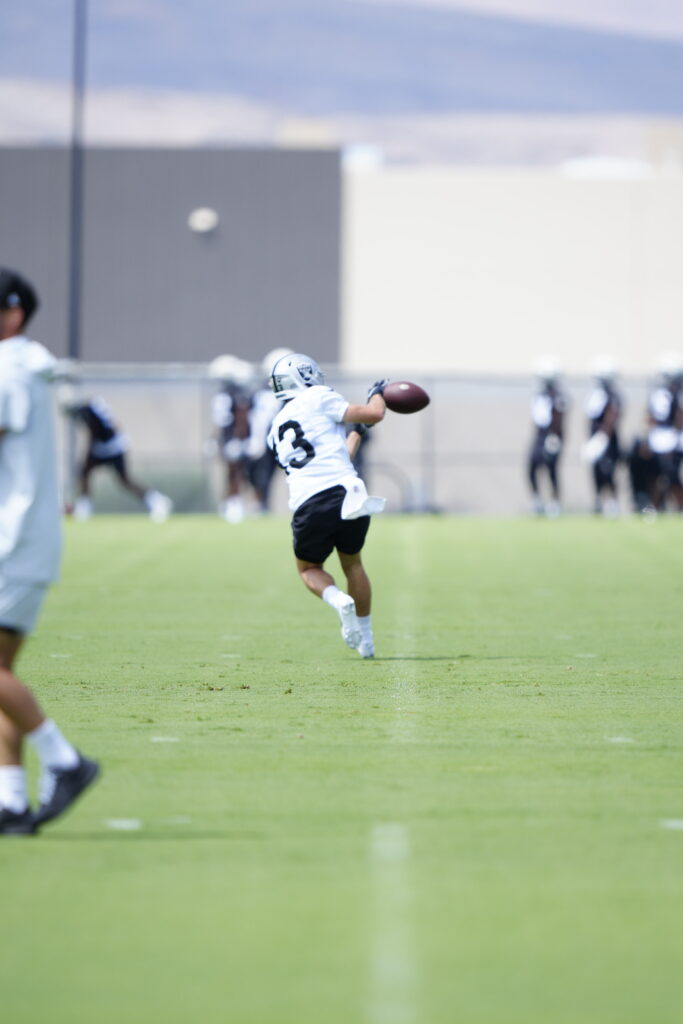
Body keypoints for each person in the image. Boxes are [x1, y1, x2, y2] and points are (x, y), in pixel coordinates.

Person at [0, 267, 99, 835]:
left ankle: (64, 760)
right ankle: (11, 801)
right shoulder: (25, 367)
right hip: (25, 538)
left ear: (12, 313)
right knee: (2, 675)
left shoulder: (10, 370)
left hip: (11, 541)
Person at [266, 353, 386, 658]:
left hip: (309, 503)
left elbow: (325, 459)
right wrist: (379, 395)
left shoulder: (274, 430)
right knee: (354, 564)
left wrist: (356, 431)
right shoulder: (319, 396)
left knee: (309, 570)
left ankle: (336, 599)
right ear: (304, 375)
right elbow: (375, 413)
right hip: (349, 494)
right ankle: (367, 640)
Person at [62, 392, 173, 521]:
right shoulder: (94, 405)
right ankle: (84, 507)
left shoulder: (88, 411)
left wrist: (87, 456)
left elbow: (95, 433)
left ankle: (157, 501)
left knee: (123, 480)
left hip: (111, 448)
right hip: (107, 447)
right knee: (85, 473)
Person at [628, 352, 683, 513]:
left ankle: (679, 505)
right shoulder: (657, 394)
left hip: (672, 438)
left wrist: (675, 435)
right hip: (658, 438)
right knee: (654, 475)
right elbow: (650, 417)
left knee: (671, 475)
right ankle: (654, 506)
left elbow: (679, 418)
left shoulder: (678, 394)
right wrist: (647, 438)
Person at [527, 359, 568, 517]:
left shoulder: (557, 397)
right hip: (539, 435)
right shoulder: (539, 396)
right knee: (531, 467)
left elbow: (559, 418)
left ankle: (554, 502)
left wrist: (554, 436)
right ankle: (537, 501)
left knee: (551, 469)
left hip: (552, 436)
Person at [583, 357, 622, 516]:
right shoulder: (595, 394)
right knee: (596, 471)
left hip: (607, 439)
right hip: (596, 437)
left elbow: (612, 416)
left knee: (608, 471)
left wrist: (602, 437)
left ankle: (612, 502)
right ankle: (598, 500)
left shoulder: (612, 395)